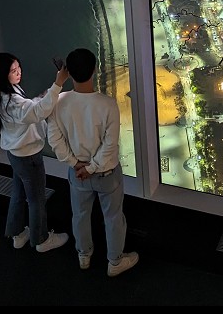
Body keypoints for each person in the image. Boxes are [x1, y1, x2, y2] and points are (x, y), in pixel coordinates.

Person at [47, 47, 138, 277]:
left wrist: (74, 163)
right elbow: (110, 146)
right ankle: (115, 261)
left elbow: (55, 139)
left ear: (68, 72)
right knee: (114, 217)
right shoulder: (107, 105)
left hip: (77, 173)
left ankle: (84, 255)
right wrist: (92, 168)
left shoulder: (59, 103)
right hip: (106, 174)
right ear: (95, 70)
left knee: (80, 215)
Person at [0, 52, 70, 254]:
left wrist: (44, 96)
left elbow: (29, 110)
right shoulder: (13, 101)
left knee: (18, 194)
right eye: (13, 71)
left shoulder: (2, 96)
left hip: (15, 154)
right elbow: (35, 112)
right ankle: (41, 239)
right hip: (28, 157)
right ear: (2, 75)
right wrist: (58, 83)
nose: (18, 73)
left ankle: (17, 233)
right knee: (36, 199)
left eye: (18, 68)